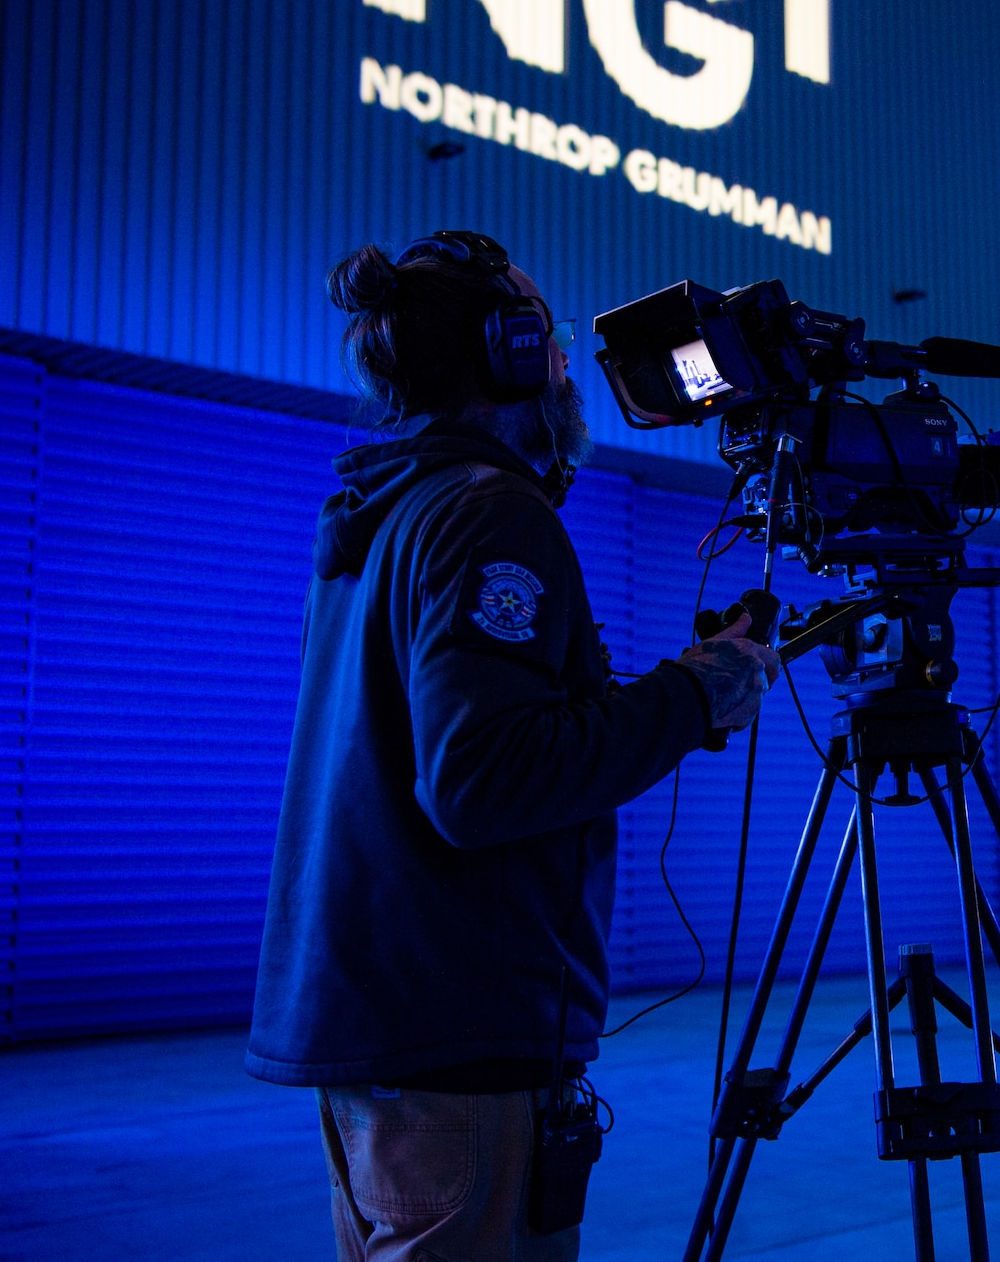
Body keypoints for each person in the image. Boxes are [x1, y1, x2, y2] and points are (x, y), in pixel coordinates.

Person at [245, 231, 779, 1261]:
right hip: (460, 1041)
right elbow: (484, 778)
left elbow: (472, 744)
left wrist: (671, 691)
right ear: (510, 353)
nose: (569, 362)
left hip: (389, 1036)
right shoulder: (490, 513)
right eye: (553, 337)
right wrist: (699, 694)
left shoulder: (385, 511)